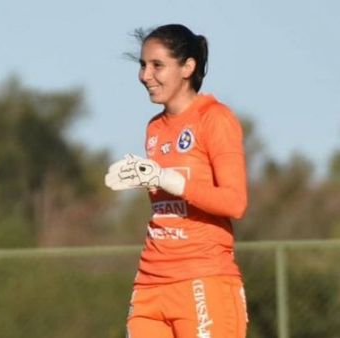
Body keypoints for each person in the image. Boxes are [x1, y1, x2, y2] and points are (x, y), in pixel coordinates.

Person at [105, 24, 249, 338]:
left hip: (203, 280)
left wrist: (169, 179)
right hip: (150, 285)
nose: (145, 75)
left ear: (188, 67)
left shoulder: (215, 118)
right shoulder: (155, 128)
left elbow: (235, 203)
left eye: (157, 65)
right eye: (143, 65)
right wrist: (150, 179)